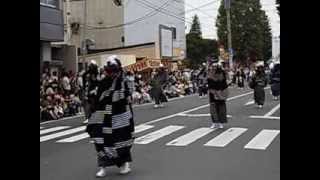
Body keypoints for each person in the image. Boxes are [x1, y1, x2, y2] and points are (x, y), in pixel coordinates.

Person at [86, 55, 134, 178]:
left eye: (114, 71)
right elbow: (96, 99)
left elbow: (128, 99)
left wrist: (129, 115)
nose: (112, 74)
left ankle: (125, 164)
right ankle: (103, 166)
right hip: (104, 115)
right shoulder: (102, 82)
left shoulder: (123, 82)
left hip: (120, 115)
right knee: (100, 140)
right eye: (109, 71)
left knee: (121, 141)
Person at [207, 59, 229, 129]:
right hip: (212, 93)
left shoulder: (222, 74)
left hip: (221, 93)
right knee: (213, 109)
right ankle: (214, 122)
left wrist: (222, 93)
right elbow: (209, 83)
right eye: (213, 66)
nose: (213, 68)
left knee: (221, 109)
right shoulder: (210, 74)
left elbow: (225, 84)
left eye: (215, 67)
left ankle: (220, 122)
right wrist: (212, 91)